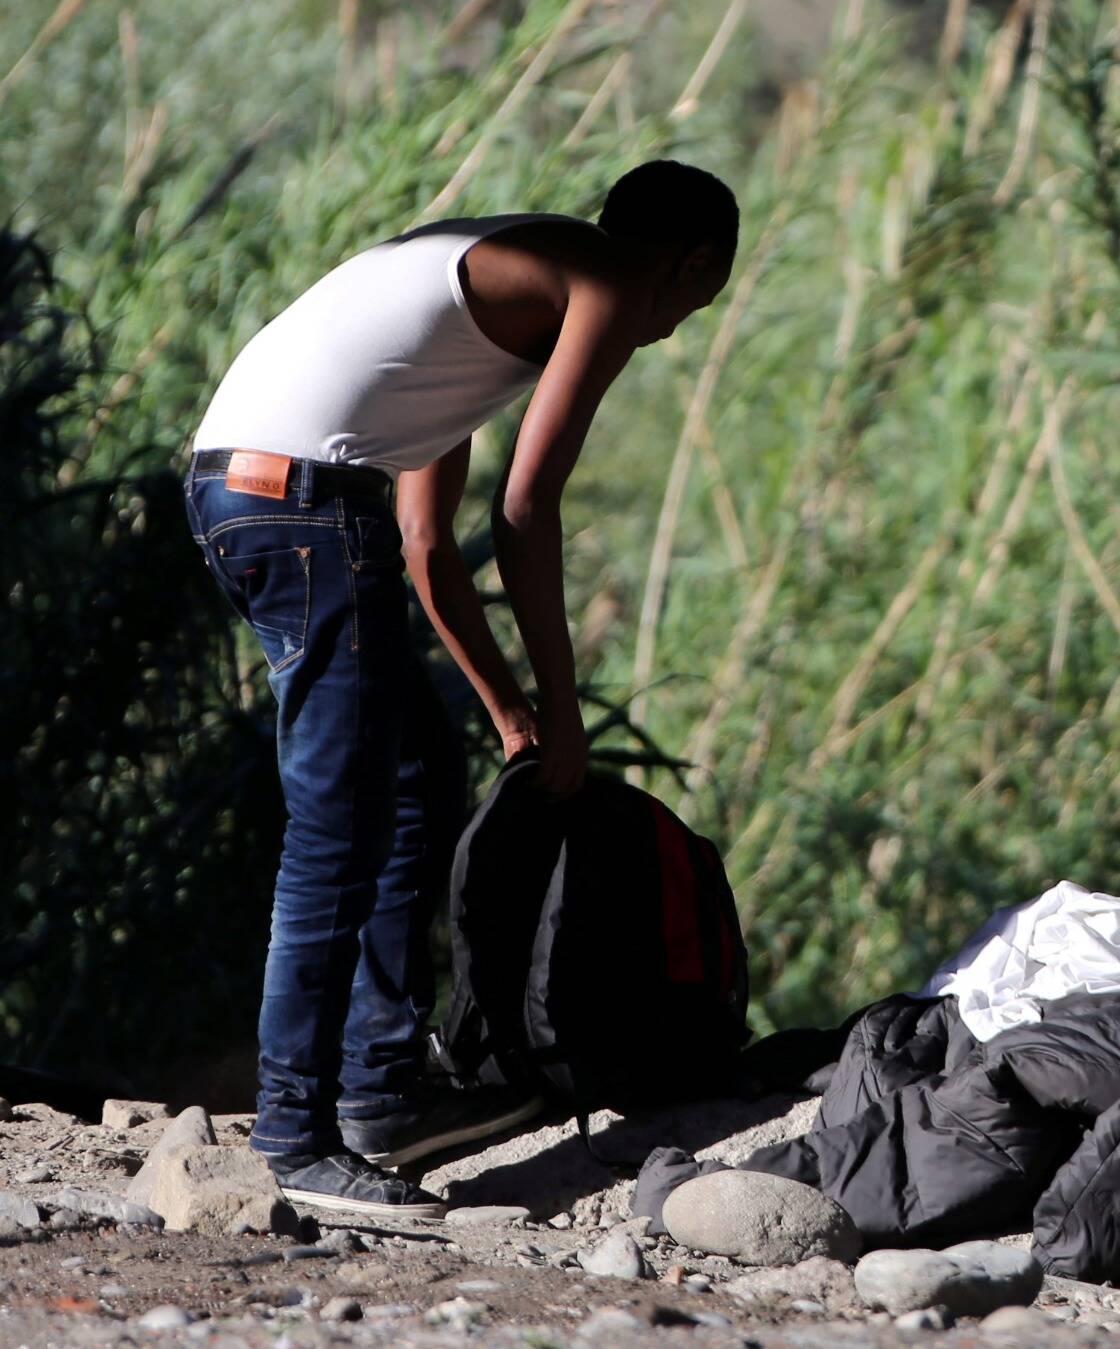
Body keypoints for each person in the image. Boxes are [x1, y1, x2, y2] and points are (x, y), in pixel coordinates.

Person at [181, 160, 737, 1219]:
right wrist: (565, 713)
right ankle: (294, 1135)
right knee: (339, 824)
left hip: (242, 487)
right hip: (303, 502)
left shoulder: (487, 310)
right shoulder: (608, 280)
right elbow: (523, 514)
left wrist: (506, 707)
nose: (666, 332)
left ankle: (381, 1090)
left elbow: (429, 539)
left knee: (415, 777)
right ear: (690, 263)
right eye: (692, 306)